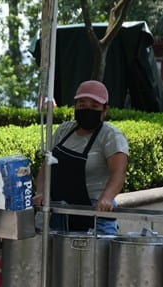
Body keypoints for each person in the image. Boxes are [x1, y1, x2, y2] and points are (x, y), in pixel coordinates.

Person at [33, 80, 129, 235]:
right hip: (59, 211)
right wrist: (41, 192)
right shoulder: (64, 130)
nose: (87, 110)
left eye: (94, 106)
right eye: (82, 105)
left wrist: (106, 198)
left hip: (94, 212)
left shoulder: (111, 136)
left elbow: (118, 172)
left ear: (105, 110)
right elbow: (46, 165)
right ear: (75, 107)